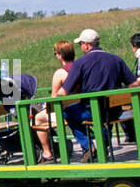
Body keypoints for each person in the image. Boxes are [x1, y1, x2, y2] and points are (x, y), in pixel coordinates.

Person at [56, 28, 134, 162]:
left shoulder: (80, 63)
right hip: (115, 111)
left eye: (81, 44)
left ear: (86, 45)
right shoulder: (117, 60)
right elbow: (134, 85)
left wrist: (57, 94)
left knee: (67, 112)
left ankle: (88, 147)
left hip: (93, 112)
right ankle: (104, 142)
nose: (81, 47)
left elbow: (63, 92)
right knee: (104, 111)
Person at [32, 41, 74, 162]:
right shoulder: (79, 68)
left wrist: (46, 106)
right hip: (80, 107)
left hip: (66, 112)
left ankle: (47, 152)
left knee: (38, 118)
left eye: (56, 53)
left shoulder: (60, 73)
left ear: (60, 55)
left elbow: (53, 98)